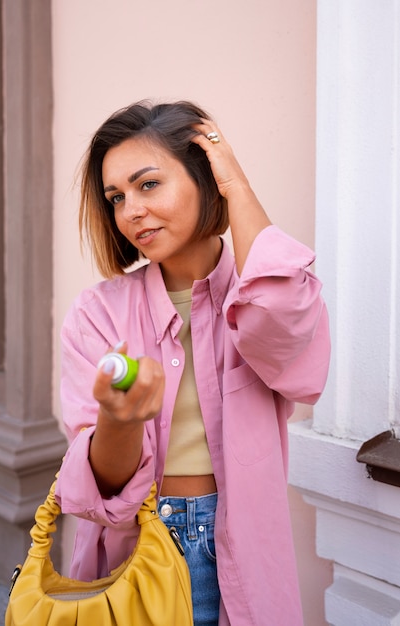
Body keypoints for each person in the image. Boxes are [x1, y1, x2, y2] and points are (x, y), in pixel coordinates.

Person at [55, 100, 330, 626]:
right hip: (137, 551)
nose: (130, 210)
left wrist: (238, 185)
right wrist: (120, 418)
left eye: (148, 184)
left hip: (239, 546)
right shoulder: (97, 315)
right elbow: (100, 489)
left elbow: (284, 323)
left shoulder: (256, 295)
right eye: (117, 197)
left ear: (206, 180)